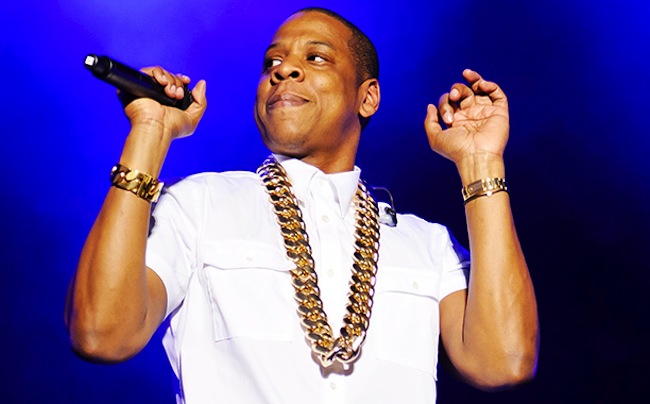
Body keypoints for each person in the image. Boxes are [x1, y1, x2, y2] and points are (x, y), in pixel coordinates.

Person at [66, 7, 539, 403]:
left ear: (368, 98)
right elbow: (101, 333)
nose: (283, 70)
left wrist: (480, 163)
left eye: (316, 58)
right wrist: (150, 132)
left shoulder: (428, 245)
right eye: (272, 61)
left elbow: (504, 362)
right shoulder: (200, 204)